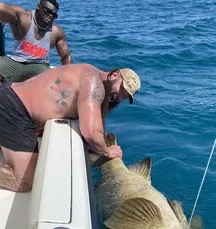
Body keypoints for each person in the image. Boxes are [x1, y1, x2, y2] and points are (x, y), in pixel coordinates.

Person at [0, 63, 141, 192]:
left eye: (125, 96)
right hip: (14, 108)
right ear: (115, 74)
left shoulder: (90, 73)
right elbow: (91, 132)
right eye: (121, 89)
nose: (119, 96)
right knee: (24, 181)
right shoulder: (94, 84)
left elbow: (96, 120)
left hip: (9, 95)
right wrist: (107, 151)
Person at [0, 0, 72, 84]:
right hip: (16, 62)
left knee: (52, 84)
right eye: (48, 11)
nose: (50, 15)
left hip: (39, 66)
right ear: (39, 7)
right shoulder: (24, 17)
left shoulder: (56, 32)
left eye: (54, 15)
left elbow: (66, 56)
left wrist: (68, 78)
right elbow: (5, 10)